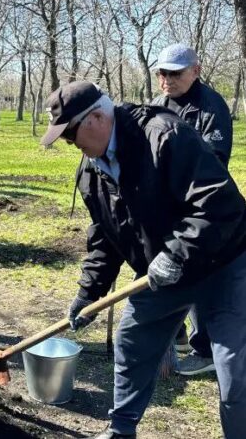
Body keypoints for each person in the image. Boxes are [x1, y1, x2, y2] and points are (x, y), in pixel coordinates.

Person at [40, 81, 246, 439]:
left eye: (71, 135)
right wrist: (88, 296)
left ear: (98, 118)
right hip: (165, 272)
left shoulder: (163, 136)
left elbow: (217, 202)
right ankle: (121, 430)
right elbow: (106, 237)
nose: (71, 145)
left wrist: (176, 254)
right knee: (132, 341)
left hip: (224, 261)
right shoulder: (91, 172)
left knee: (234, 372)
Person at [151, 43, 233, 375]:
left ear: (195, 71)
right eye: (162, 73)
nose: (167, 79)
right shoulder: (157, 105)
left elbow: (212, 164)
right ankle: (179, 337)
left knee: (197, 270)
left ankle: (205, 349)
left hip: (201, 206)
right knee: (163, 268)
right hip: (165, 203)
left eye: (175, 73)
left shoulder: (211, 107)